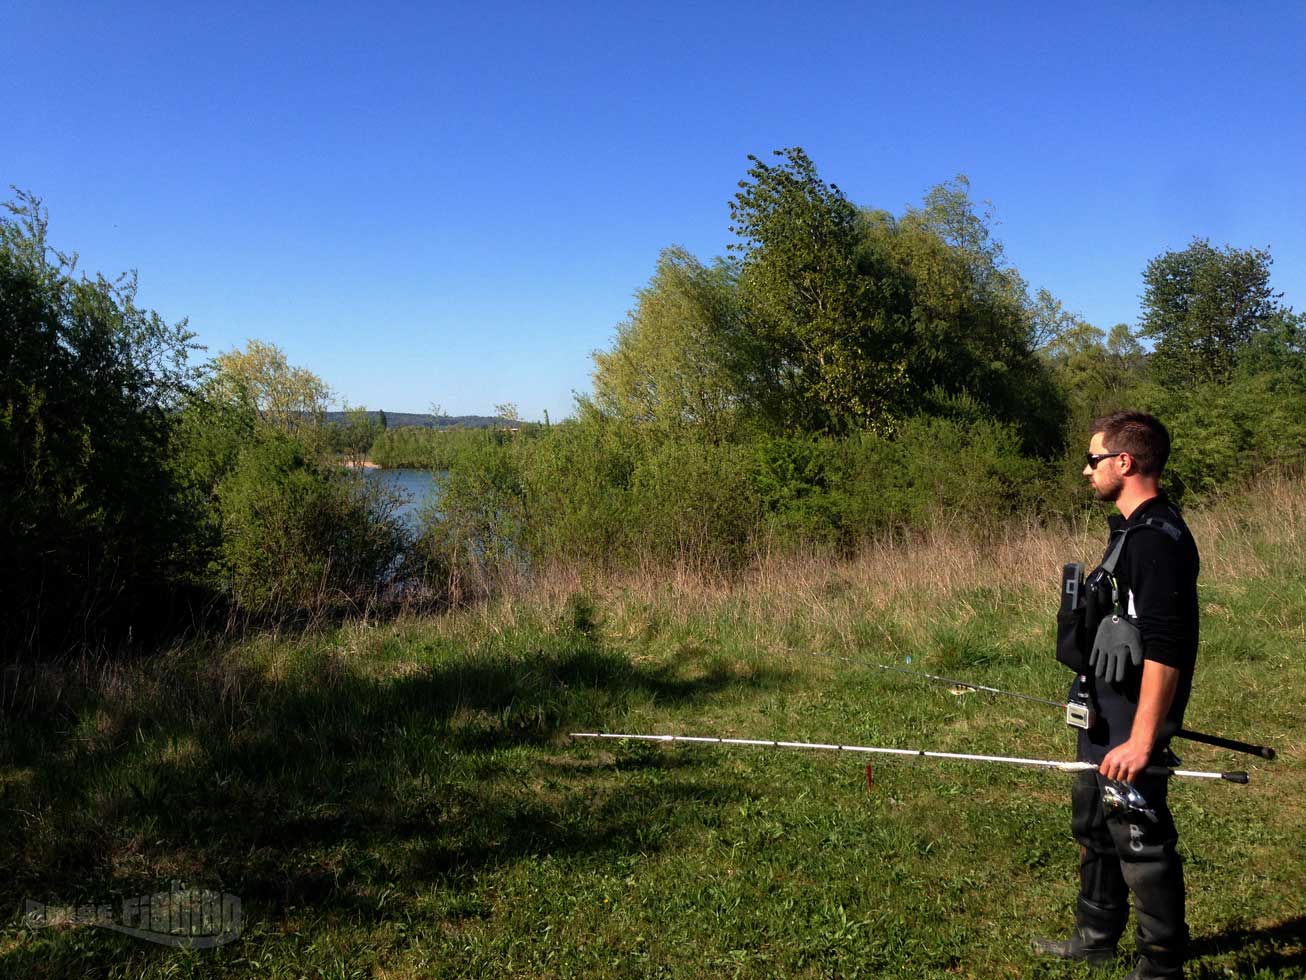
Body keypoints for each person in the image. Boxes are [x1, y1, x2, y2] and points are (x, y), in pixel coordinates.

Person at [1035, 411, 1201, 980]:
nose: (1086, 470)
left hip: (1133, 723)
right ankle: (1095, 936)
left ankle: (1160, 965)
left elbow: (1167, 648)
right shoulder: (1129, 531)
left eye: (1093, 459)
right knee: (1093, 823)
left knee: (1140, 838)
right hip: (1102, 712)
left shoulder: (1156, 540)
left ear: (1123, 463)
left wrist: (1145, 738)